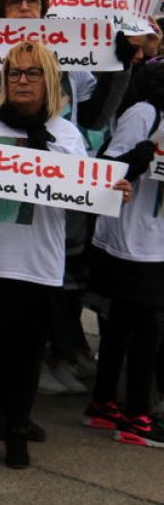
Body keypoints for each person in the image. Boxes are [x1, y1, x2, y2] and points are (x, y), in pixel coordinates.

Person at [0, 41, 130, 468]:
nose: (22, 81)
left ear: (50, 80)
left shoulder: (65, 133)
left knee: (24, 358)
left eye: (32, 73)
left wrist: (108, 189)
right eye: (14, 73)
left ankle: (18, 430)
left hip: (34, 265)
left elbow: (79, 192)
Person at [82, 60, 164, 447]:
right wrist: (141, 157)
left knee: (123, 323)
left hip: (154, 238)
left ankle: (103, 405)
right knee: (144, 328)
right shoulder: (145, 113)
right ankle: (136, 418)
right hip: (134, 239)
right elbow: (110, 170)